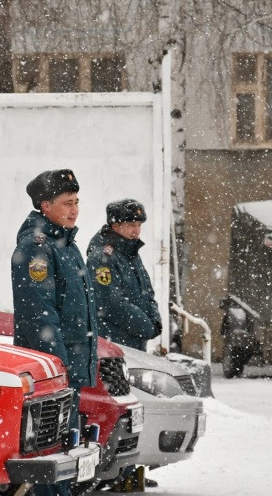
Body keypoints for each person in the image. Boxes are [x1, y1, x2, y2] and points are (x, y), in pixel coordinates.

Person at [11, 169, 97, 496]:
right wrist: (58, 368)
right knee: (49, 456)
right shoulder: (38, 247)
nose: (74, 209)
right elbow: (40, 316)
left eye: (77, 202)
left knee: (63, 455)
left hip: (68, 370)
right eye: (67, 203)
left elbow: (79, 312)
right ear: (45, 205)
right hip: (52, 374)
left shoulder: (66, 244)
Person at [86, 199, 162, 491]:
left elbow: (146, 291)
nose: (136, 230)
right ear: (115, 225)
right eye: (131, 224)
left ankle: (131, 467)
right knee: (120, 409)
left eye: (139, 224)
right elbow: (110, 303)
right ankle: (117, 470)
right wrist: (145, 324)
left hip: (134, 341)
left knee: (136, 407)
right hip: (116, 343)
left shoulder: (129, 253)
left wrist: (154, 320)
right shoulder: (103, 256)